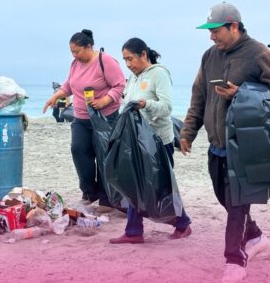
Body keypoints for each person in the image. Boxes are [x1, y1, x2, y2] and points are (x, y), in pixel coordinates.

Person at [181, 2, 270, 283]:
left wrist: (241, 92)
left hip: (245, 144)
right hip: (216, 144)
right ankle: (255, 237)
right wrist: (188, 132)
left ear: (233, 26)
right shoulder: (209, 56)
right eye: (209, 32)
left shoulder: (259, 53)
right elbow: (199, 96)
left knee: (238, 203)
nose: (211, 37)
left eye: (215, 31)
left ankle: (235, 260)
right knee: (226, 199)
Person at [109, 38, 193, 244]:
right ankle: (133, 231)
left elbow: (166, 107)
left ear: (144, 55)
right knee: (134, 184)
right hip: (136, 141)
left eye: (130, 59)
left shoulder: (159, 74)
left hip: (158, 142)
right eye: (125, 60)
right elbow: (125, 105)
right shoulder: (132, 78)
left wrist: (146, 104)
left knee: (161, 187)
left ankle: (183, 224)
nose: (128, 64)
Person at [43, 29, 126, 209]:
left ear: (89, 46)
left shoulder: (105, 61)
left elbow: (120, 85)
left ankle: (107, 198)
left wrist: (104, 100)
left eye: (77, 51)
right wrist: (55, 96)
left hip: (105, 117)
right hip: (80, 117)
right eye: (72, 52)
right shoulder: (75, 64)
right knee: (78, 150)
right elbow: (69, 86)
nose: (74, 55)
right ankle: (89, 191)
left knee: (104, 155)